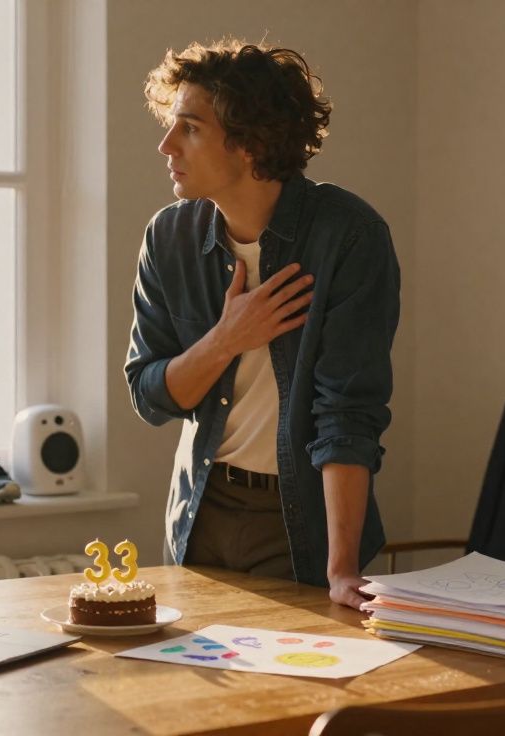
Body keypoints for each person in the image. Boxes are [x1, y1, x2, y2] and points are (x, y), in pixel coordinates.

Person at [125, 40, 400, 610]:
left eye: (190, 128)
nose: (166, 145)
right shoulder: (169, 238)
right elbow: (150, 395)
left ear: (249, 142)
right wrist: (227, 338)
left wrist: (341, 570)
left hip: (297, 521)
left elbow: (347, 415)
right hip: (199, 512)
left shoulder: (348, 237)